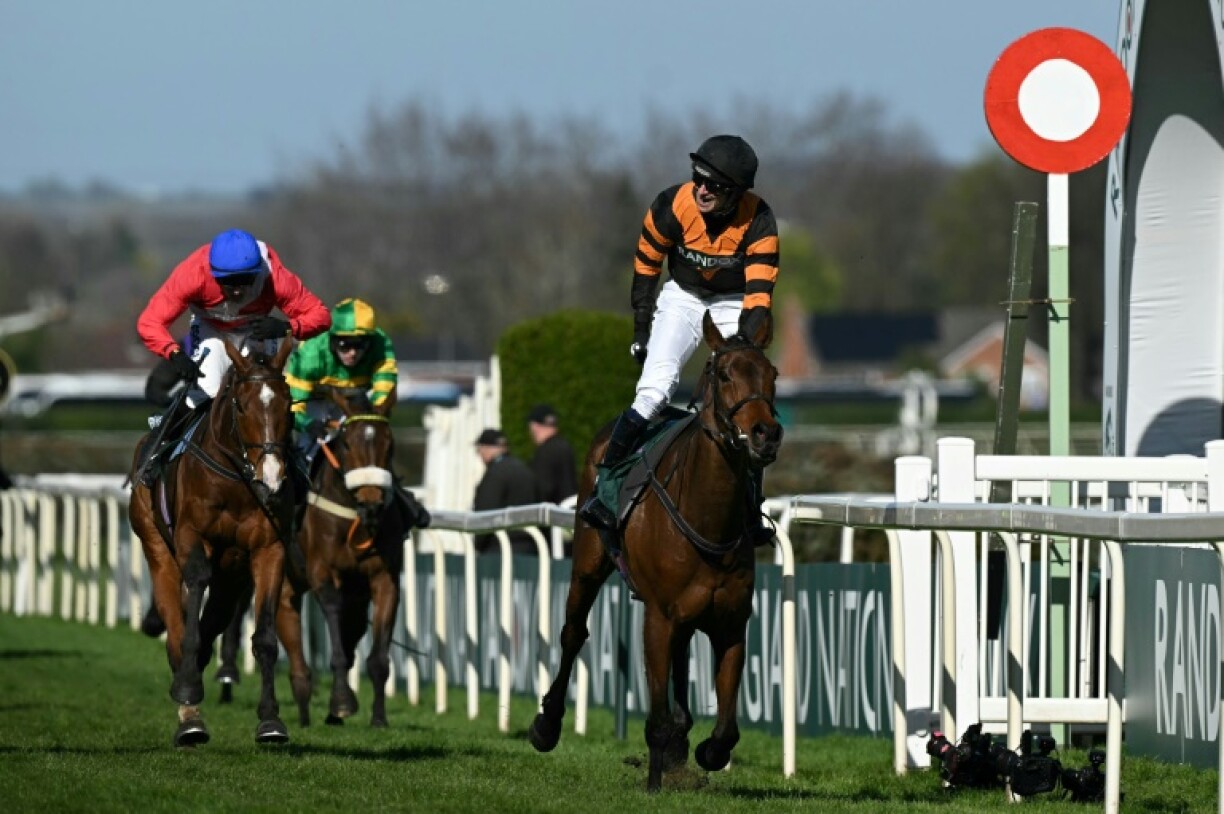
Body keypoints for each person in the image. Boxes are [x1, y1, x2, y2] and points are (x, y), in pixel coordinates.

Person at [578, 134, 779, 543]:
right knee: (654, 392)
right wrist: (640, 330)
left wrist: (741, 347)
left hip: (732, 301)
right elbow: (647, 269)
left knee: (744, 403)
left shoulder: (759, 220)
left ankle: (752, 511)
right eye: (698, 178)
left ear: (737, 193)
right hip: (683, 297)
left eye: (714, 186)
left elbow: (758, 298)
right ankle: (606, 491)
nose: (701, 189)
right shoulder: (671, 205)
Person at [134, 228, 331, 484]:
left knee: (267, 394)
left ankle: (291, 460)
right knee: (207, 389)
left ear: (257, 271)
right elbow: (149, 322)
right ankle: (156, 448)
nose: (237, 291)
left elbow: (321, 315)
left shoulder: (275, 276)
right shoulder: (193, 274)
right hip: (212, 329)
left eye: (245, 281)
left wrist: (286, 327)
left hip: (258, 329)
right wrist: (173, 354)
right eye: (228, 283)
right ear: (213, 273)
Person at [285, 297, 430, 527]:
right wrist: (307, 423)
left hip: (354, 401)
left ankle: (402, 499)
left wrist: (374, 419)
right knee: (304, 450)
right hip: (313, 400)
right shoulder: (312, 349)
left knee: (370, 445)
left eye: (360, 345)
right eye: (345, 345)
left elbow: (384, 388)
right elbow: (294, 401)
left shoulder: (382, 344)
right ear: (333, 341)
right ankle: (292, 511)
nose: (352, 353)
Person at [473, 428, 539, 555]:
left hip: (500, 549)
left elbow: (485, 513)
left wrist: (478, 544)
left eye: (479, 449)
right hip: (530, 547)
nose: (480, 455)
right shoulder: (525, 469)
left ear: (486, 448)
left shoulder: (495, 473)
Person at [526, 403, 577, 505]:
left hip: (555, 513)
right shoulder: (565, 446)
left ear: (534, 426)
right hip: (571, 508)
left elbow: (544, 490)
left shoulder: (545, 452)